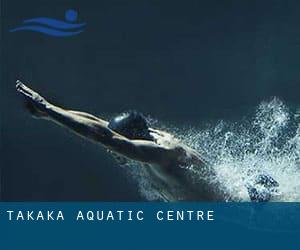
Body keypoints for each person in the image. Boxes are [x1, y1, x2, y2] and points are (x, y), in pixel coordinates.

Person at [15, 80, 277, 201]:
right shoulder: (146, 139)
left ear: (132, 140)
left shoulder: (161, 154)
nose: (111, 151)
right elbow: (99, 126)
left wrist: (48, 109)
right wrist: (51, 113)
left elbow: (105, 137)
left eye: (115, 146)